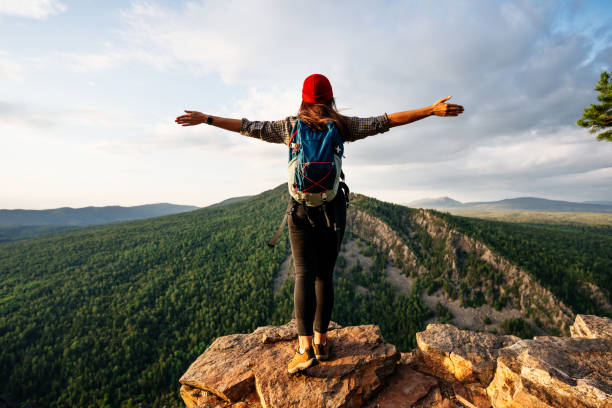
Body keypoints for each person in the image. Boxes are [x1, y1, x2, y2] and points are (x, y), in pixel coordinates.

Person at [175, 74, 464, 374]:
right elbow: (386, 121)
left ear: (303, 99)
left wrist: (207, 119)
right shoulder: (342, 125)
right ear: (330, 99)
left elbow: (247, 127)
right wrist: (430, 110)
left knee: (303, 275)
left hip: (299, 210)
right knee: (324, 276)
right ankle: (322, 344)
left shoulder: (288, 127)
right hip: (332, 209)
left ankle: (303, 350)